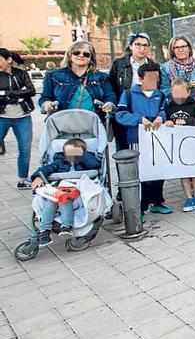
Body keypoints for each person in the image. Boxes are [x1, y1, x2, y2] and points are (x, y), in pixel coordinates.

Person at [115, 62, 168, 220]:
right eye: (150, 78)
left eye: (156, 79)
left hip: (157, 138)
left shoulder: (160, 95)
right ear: (141, 79)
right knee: (142, 173)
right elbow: (120, 115)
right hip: (137, 138)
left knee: (159, 171)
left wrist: (161, 116)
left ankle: (157, 202)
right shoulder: (129, 94)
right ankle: (141, 208)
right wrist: (139, 119)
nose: (154, 82)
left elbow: (164, 110)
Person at [30, 138, 100, 246]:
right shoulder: (60, 161)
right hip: (61, 186)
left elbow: (95, 165)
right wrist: (39, 176)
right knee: (51, 200)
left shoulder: (86, 161)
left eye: (75, 153)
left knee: (63, 199)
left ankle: (66, 226)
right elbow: (47, 168)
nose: (72, 156)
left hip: (76, 187)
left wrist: (82, 156)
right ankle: (45, 231)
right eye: (68, 153)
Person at [40, 41, 116, 117]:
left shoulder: (101, 77)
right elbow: (45, 97)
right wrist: (46, 104)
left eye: (86, 54)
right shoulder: (53, 75)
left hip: (94, 123)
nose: (81, 55)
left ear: (91, 59)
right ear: (70, 55)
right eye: (76, 52)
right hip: (62, 123)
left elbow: (110, 96)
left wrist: (109, 104)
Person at [163, 78, 195, 212]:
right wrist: (168, 122)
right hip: (178, 145)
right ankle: (188, 197)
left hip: (193, 144)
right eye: (176, 93)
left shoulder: (194, 105)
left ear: (188, 92)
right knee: (184, 173)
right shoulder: (169, 107)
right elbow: (165, 121)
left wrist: (186, 120)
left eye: (181, 92)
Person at [109, 33, 156, 151]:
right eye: (138, 44)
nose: (142, 48)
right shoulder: (119, 64)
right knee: (124, 150)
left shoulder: (154, 66)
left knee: (148, 150)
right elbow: (112, 87)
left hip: (147, 112)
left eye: (145, 45)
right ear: (130, 46)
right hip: (125, 111)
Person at [0, 48, 36, 189]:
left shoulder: (21, 73)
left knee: (25, 149)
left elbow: (31, 91)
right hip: (2, 117)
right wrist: (19, 94)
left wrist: (7, 93)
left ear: (8, 60)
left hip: (23, 117)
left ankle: (23, 179)